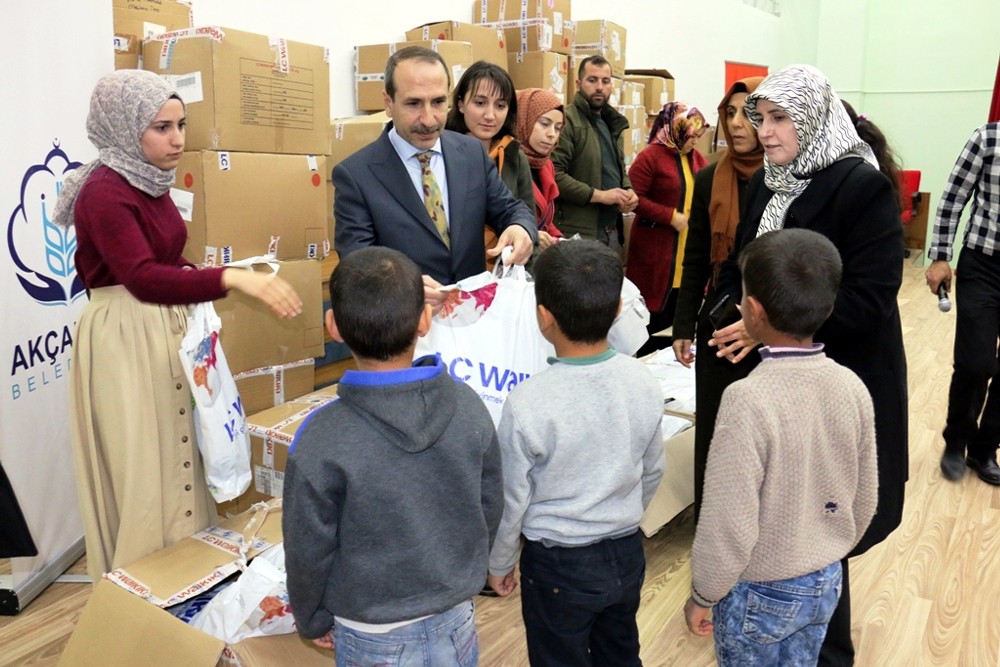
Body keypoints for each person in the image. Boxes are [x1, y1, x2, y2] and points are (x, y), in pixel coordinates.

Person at [53, 70, 303, 580]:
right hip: (126, 334)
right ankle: (146, 585)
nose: (178, 139)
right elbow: (142, 278)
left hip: (161, 327)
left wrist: (204, 275)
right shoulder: (104, 192)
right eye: (162, 128)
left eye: (181, 124)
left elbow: (163, 259)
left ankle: (184, 577)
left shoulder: (146, 178)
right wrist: (230, 279)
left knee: (181, 452)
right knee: (149, 467)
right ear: (124, 129)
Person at [710, 64, 908, 667]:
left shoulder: (861, 186)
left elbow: (869, 299)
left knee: (823, 526)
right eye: (758, 118)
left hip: (837, 380)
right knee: (784, 521)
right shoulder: (771, 181)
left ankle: (829, 652)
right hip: (778, 380)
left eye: (778, 118)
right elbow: (747, 265)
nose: (763, 131)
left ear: (816, 118)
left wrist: (766, 323)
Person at [283, 246, 503, 664]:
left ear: (334, 327)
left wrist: (311, 618)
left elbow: (307, 547)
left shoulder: (320, 437)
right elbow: (490, 504)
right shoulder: (469, 405)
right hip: (456, 615)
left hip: (369, 631)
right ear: (425, 319)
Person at [685, 228, 878, 667]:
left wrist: (703, 593)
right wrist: (827, 547)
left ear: (750, 311)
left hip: (760, 590)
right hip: (826, 579)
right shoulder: (852, 387)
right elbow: (864, 498)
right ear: (828, 308)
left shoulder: (747, 399)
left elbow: (727, 521)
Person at [487, 240, 664, 667]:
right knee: (620, 652)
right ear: (619, 308)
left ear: (543, 316)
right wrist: (621, 513)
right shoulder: (643, 381)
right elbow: (653, 470)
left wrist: (500, 560)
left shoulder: (527, 401)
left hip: (556, 564)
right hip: (625, 552)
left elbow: (513, 497)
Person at [333, 46, 537, 305]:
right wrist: (403, 286)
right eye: (414, 103)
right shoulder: (356, 175)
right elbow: (357, 265)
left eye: (438, 102)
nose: (429, 119)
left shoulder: (471, 153)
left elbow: (511, 208)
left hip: (471, 317)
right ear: (388, 102)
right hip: (408, 327)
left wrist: (520, 228)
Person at [672, 76, 764, 520]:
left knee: (758, 433)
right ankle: (711, 522)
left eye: (749, 112)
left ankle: (752, 521)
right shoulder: (710, 178)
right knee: (714, 426)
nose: (738, 122)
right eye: (730, 112)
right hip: (719, 321)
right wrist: (684, 327)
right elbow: (694, 257)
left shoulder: (788, 176)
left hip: (771, 324)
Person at [926, 122, 1000, 486]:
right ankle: (957, 441)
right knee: (975, 362)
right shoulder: (988, 138)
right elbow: (954, 197)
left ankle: (985, 450)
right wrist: (940, 256)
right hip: (984, 266)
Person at [625, 101, 708, 356]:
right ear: (675, 130)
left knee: (677, 320)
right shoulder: (651, 157)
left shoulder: (696, 159)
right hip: (655, 258)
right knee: (653, 327)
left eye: (698, 137)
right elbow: (633, 198)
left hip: (685, 255)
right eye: (691, 137)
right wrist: (669, 216)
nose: (695, 143)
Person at [550, 55, 638, 248]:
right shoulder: (567, 120)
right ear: (578, 83)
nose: (600, 87)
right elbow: (554, 175)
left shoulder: (613, 123)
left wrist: (628, 189)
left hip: (612, 230)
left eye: (605, 81)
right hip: (579, 232)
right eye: (592, 80)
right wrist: (601, 195)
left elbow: (618, 170)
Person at [514, 87, 566, 252]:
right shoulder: (506, 162)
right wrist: (530, 234)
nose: (552, 134)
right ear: (524, 120)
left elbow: (546, 222)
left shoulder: (546, 165)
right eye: (544, 124)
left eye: (558, 128)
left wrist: (561, 240)